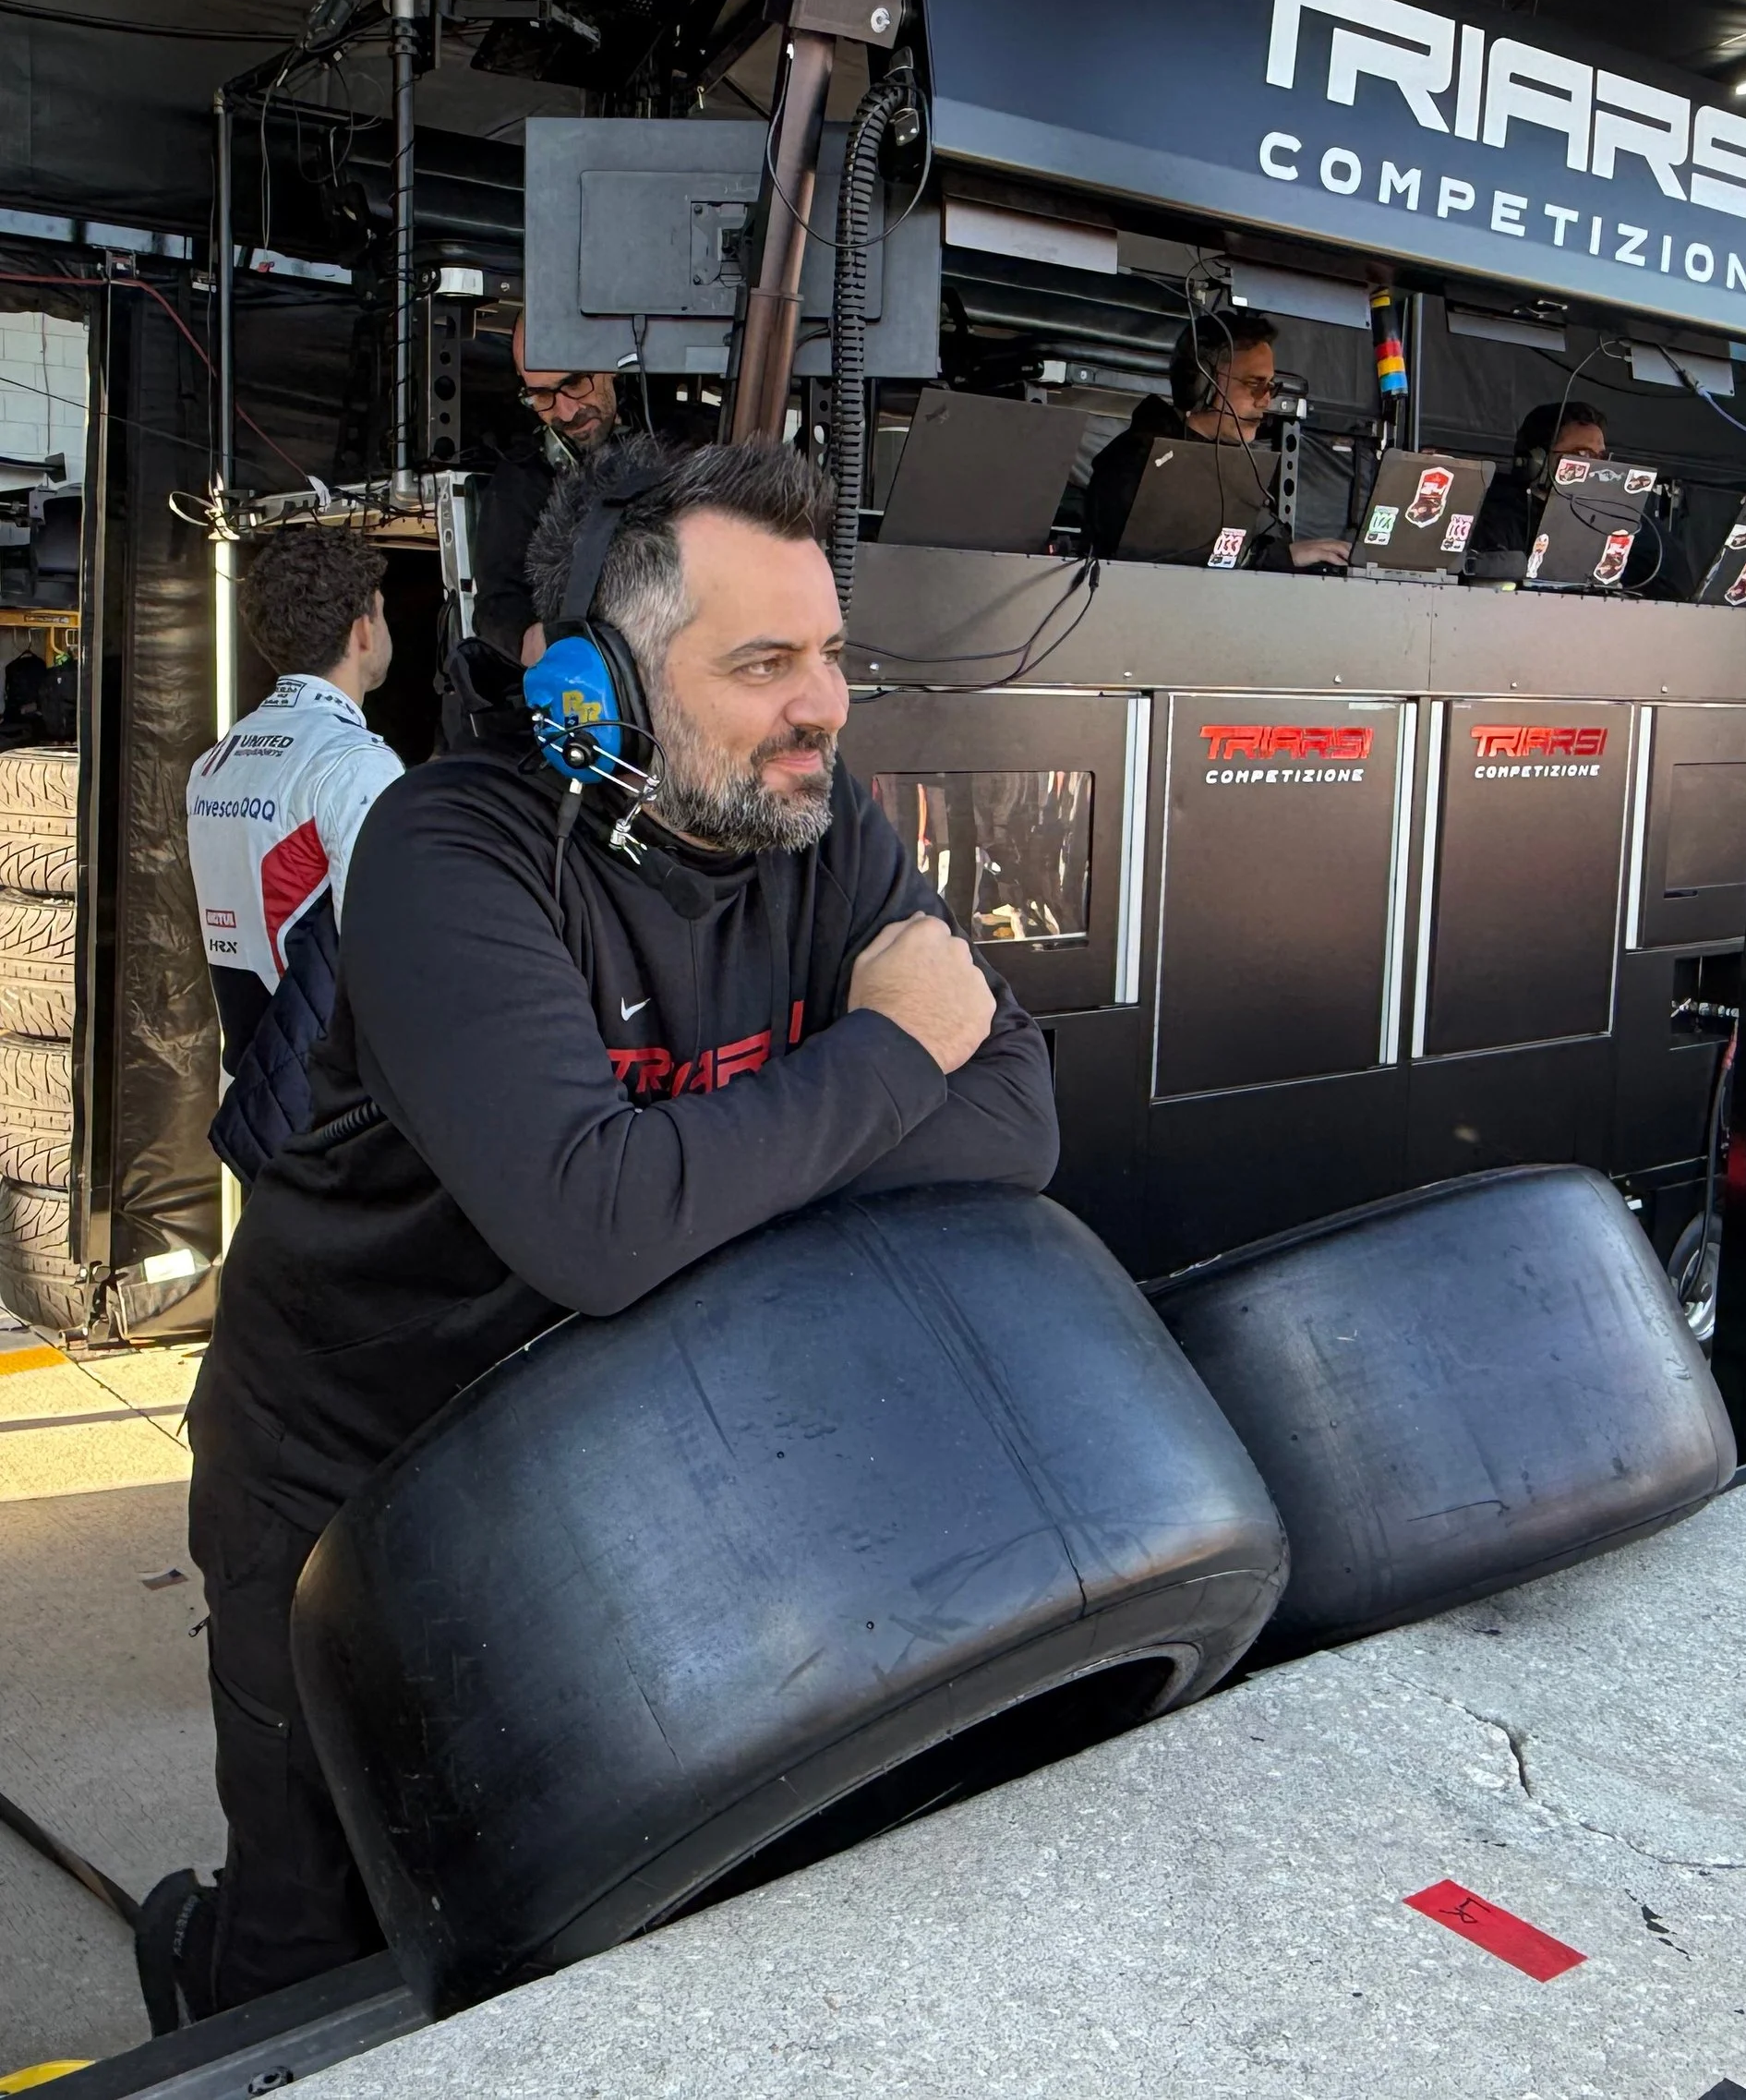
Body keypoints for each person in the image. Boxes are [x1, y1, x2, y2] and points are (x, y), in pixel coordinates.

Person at [142, 436, 1059, 2030]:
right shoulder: (449, 851)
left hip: (595, 1464)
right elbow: (598, 1224)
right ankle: (210, 1981)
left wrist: (685, 1167)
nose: (824, 705)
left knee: (541, 1904)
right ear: (593, 688)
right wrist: (883, 1053)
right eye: (764, 662)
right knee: (320, 1939)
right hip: (341, 1470)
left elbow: (1018, 1124)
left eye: (831, 654)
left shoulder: (822, 826)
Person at [185, 525, 403, 1185]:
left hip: (255, 1096)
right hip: (338, 1118)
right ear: (364, 626)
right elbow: (387, 961)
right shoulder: (355, 766)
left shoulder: (214, 762)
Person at [1083, 308, 1350, 569]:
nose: (1265, 401)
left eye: (1271, 387)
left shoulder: (1233, 465)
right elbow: (1164, 559)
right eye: (1254, 384)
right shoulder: (1136, 462)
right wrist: (1282, 557)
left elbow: (1262, 542)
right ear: (1201, 384)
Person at [468, 313, 621, 664]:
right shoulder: (522, 479)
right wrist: (533, 641)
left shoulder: (689, 438)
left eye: (575, 383)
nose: (566, 412)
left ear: (610, 362)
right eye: (541, 396)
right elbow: (495, 605)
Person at [1465, 398, 1611, 564]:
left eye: (1601, 457)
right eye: (1583, 455)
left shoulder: (1602, 517)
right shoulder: (1494, 515)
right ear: (1538, 460)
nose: (1596, 466)